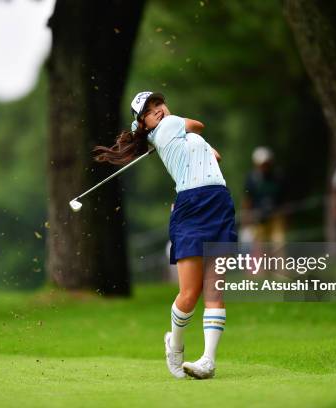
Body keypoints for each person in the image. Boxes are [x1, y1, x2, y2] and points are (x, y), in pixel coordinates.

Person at [94, 91, 237, 380]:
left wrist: (148, 135)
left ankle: (208, 361)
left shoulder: (170, 134)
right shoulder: (170, 126)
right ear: (144, 121)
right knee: (189, 293)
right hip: (193, 208)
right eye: (150, 110)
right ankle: (175, 344)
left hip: (219, 202)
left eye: (159, 104)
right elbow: (199, 124)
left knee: (214, 291)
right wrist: (155, 134)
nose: (158, 110)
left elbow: (214, 156)